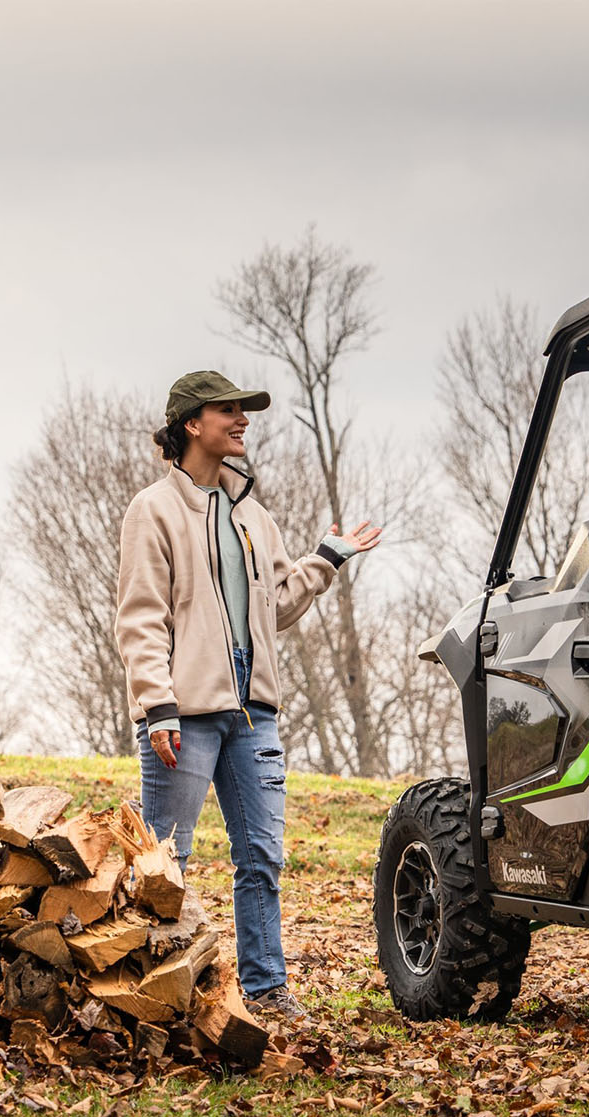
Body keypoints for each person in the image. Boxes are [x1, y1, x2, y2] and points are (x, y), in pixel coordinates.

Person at [116, 370, 382, 1019]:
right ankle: (157, 990)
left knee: (261, 857)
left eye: (244, 411)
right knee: (164, 863)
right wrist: (157, 705)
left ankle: (267, 990)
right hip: (184, 715)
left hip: (254, 714)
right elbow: (141, 616)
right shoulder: (153, 510)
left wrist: (326, 559)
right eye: (228, 411)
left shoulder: (252, 515)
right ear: (191, 425)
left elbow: (277, 608)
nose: (241, 421)